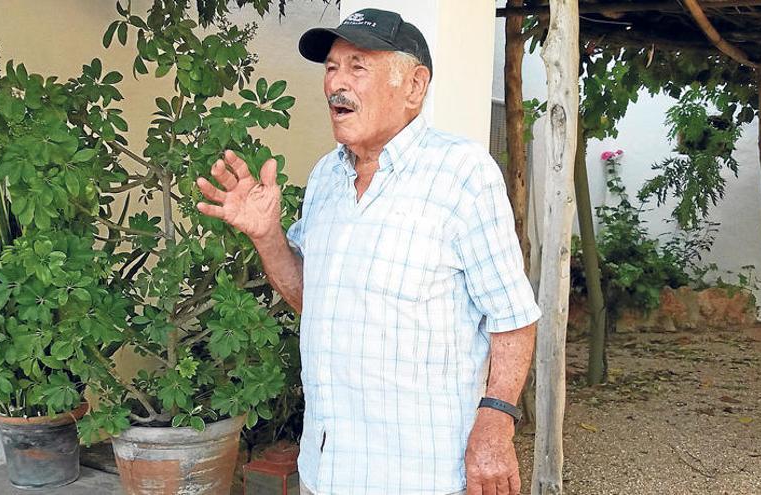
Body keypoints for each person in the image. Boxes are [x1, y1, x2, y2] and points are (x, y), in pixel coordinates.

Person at [196, 8, 540, 495]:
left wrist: (496, 424)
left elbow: (513, 318)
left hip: (422, 476)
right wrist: (267, 235)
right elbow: (312, 298)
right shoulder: (326, 178)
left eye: (358, 67)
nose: (337, 83)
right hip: (328, 469)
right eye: (332, 67)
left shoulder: (463, 174)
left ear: (414, 87)